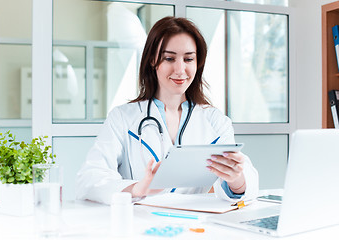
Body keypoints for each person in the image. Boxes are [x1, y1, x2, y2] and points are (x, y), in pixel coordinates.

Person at [76, 16, 259, 204]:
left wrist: (236, 180)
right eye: (169, 58)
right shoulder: (123, 118)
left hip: (196, 227)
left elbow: (242, 183)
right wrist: (138, 188)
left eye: (189, 59)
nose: (180, 70)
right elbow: (89, 179)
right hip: (141, 225)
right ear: (152, 61)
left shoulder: (215, 121)